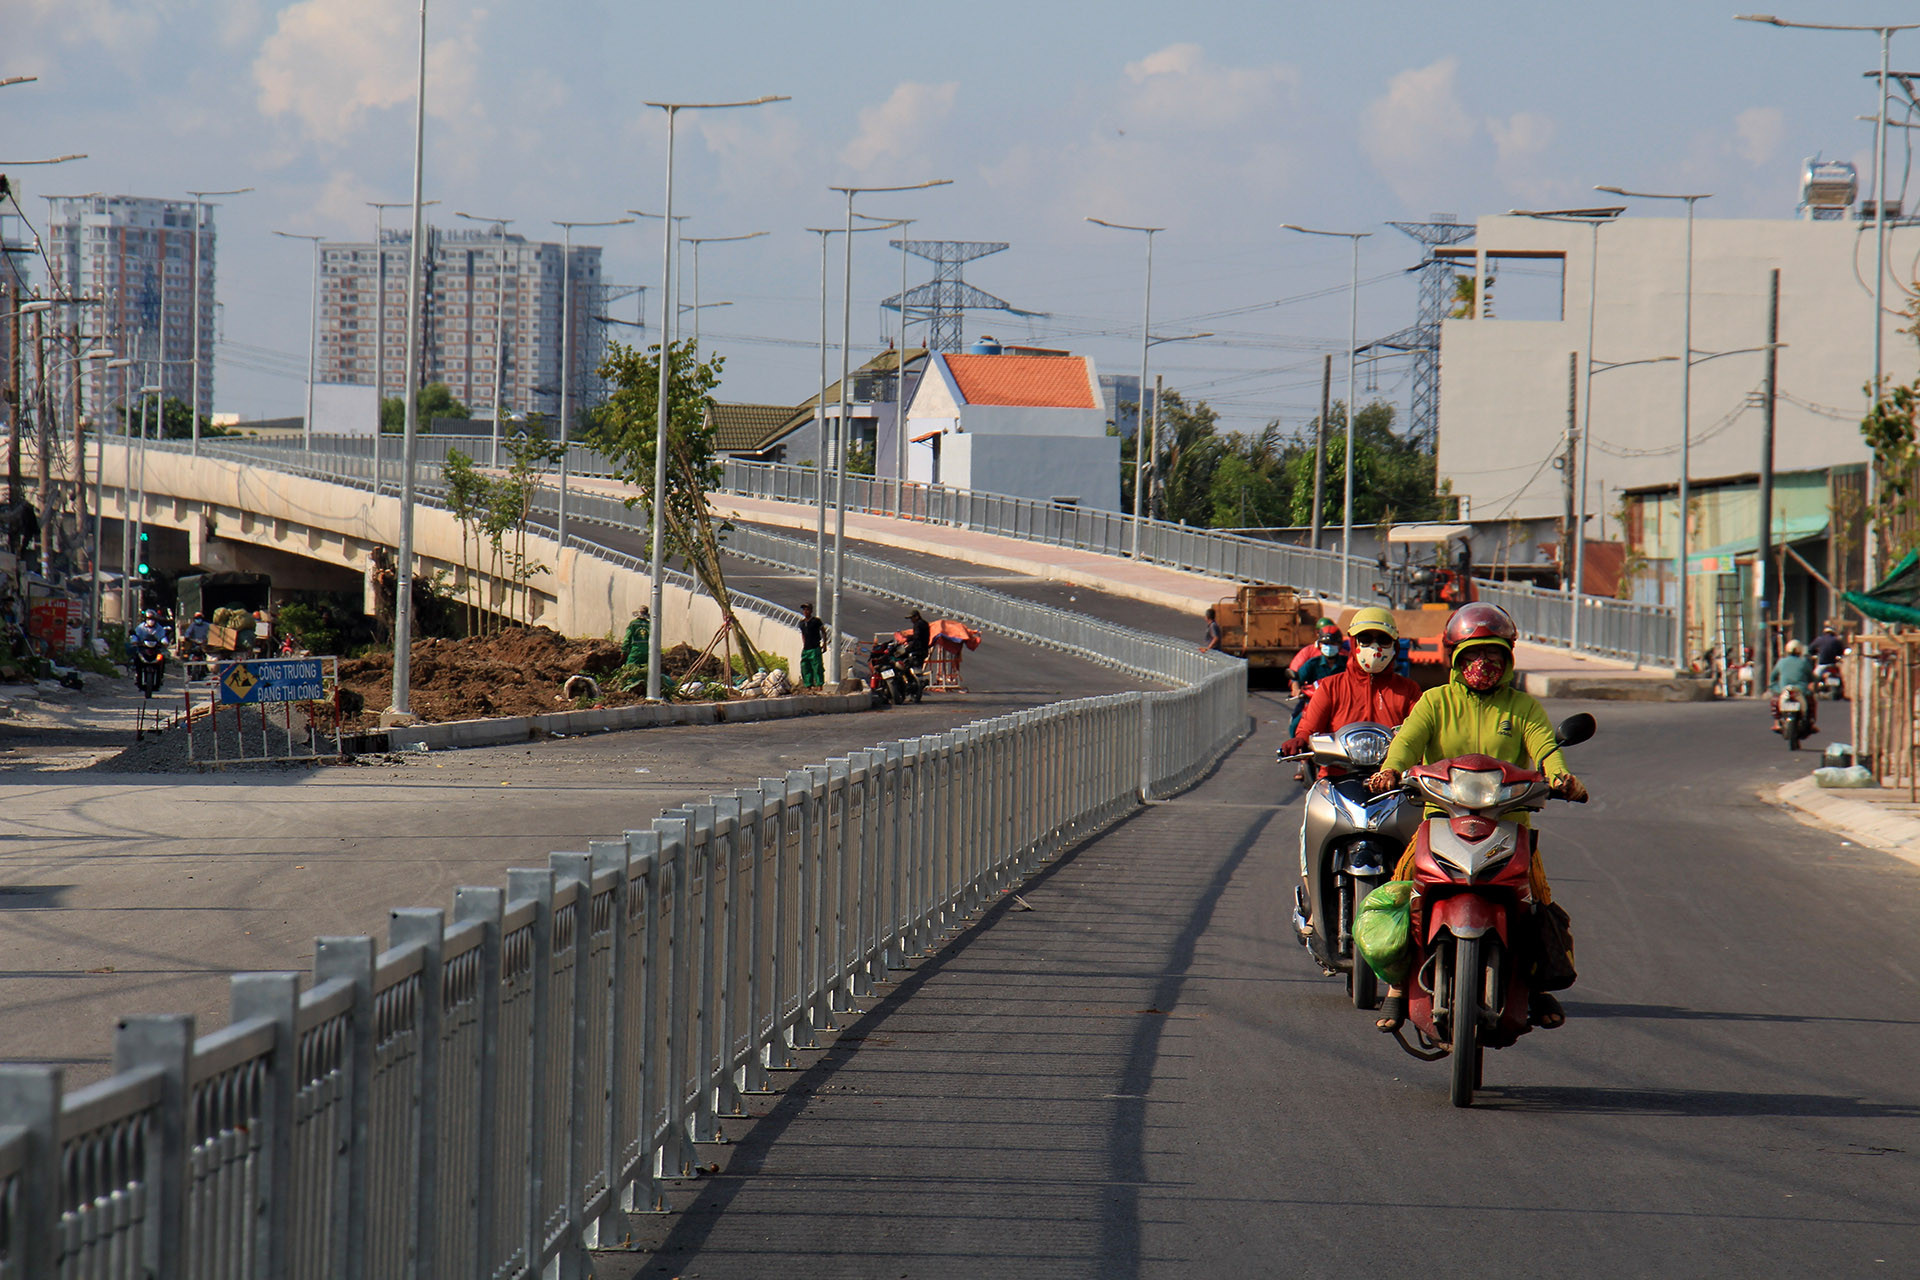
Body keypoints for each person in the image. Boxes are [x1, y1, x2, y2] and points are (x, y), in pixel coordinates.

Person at [1364, 602, 1589, 1033]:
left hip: (1510, 823)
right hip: (1441, 818)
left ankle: (1536, 986)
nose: (1483, 663)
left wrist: (1561, 777)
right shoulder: (1434, 701)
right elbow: (1407, 742)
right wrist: (1391, 770)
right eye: (1473, 654)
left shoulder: (1523, 708)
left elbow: (1546, 748)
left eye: (1492, 654)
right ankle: (1395, 986)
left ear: (1507, 659)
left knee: (1538, 901)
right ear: (1456, 659)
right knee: (1404, 889)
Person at [1282, 606, 1424, 935]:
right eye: (1366, 639)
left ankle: (1417, 909)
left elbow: (1423, 730)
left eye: (1382, 640)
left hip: (1394, 785)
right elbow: (1308, 727)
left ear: (1395, 646)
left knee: (1423, 838)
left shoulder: (1408, 691)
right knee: (1308, 831)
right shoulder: (1331, 687)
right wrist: (1299, 740)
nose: (1375, 648)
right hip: (1336, 780)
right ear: (1353, 643)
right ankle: (1314, 907)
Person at [1288, 624, 1347, 736]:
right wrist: (1296, 690)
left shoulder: (1348, 663)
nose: (1329, 647)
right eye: (1326, 644)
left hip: (1342, 705)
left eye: (1333, 644)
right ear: (1319, 645)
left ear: (1340, 645)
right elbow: (1296, 679)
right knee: (1295, 725)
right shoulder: (1312, 663)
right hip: (1314, 704)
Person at [1770, 637, 1818, 733]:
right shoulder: (1803, 662)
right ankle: (1812, 723)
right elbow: (1812, 677)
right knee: (1812, 701)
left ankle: (1776, 723)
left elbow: (1772, 677)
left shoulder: (1781, 662)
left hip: (1784, 689)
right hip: (1801, 690)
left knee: (1775, 700)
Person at [798, 601, 826, 689]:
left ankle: (819, 685)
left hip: (815, 648)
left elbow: (823, 631)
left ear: (811, 611)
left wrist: (824, 644)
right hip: (806, 649)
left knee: (817, 667)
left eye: (807, 609)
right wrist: (804, 643)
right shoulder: (802, 623)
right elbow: (803, 634)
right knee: (805, 667)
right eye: (804, 610)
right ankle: (808, 685)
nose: (805, 611)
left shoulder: (816, 621)